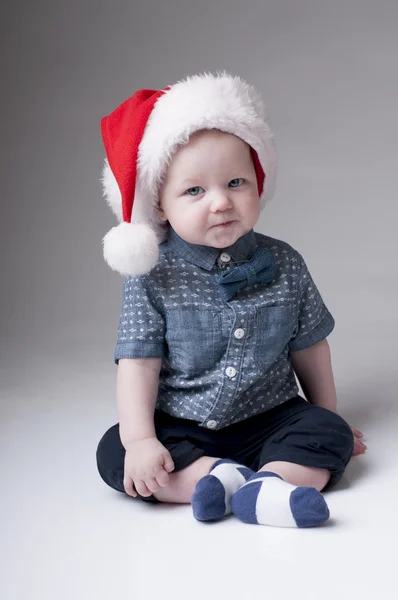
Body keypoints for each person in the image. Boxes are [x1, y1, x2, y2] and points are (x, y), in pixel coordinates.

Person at [96, 73, 366, 528]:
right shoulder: (151, 275)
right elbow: (138, 363)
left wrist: (326, 415)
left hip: (271, 416)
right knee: (116, 451)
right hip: (181, 422)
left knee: (328, 431)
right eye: (194, 191)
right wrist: (142, 440)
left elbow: (310, 347)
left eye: (236, 182)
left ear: (259, 183)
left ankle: (269, 486)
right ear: (160, 205)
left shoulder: (285, 262)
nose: (220, 202)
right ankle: (213, 477)